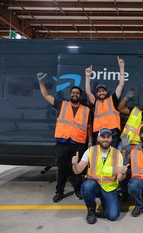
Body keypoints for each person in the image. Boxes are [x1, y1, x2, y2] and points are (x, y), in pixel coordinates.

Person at [36, 73, 91, 203]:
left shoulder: (86, 109)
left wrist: (90, 142)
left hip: (79, 143)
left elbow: (88, 126)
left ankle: (78, 190)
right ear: (70, 95)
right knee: (62, 169)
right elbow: (46, 95)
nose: (75, 94)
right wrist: (41, 82)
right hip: (63, 143)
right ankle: (59, 192)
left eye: (77, 93)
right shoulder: (62, 105)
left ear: (80, 96)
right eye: (73, 92)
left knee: (77, 169)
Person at [71, 128, 128, 224]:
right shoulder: (90, 151)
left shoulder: (117, 154)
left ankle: (112, 199)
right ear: (98, 138)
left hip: (109, 188)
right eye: (103, 137)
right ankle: (91, 210)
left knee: (112, 216)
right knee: (87, 186)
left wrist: (122, 173)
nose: (105, 139)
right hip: (94, 186)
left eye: (108, 137)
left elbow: (119, 178)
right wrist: (75, 164)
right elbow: (78, 170)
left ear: (111, 139)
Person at [85, 56, 125, 147]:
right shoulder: (96, 102)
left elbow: (121, 85)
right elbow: (88, 92)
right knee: (99, 158)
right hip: (99, 135)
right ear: (97, 93)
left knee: (112, 158)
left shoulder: (112, 99)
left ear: (107, 92)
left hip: (112, 135)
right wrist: (87, 77)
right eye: (99, 91)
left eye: (103, 91)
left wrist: (121, 68)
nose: (101, 93)